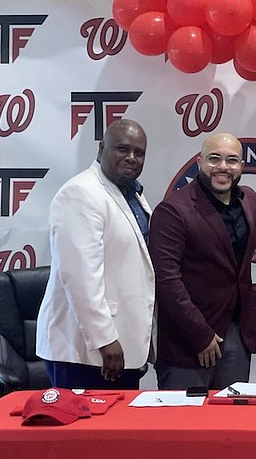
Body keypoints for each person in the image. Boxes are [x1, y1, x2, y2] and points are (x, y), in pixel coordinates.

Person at [36, 119, 155, 389]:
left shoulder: (131, 194)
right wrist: (104, 339)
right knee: (83, 431)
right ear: (102, 149)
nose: (132, 158)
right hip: (87, 352)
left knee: (118, 431)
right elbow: (79, 277)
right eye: (123, 149)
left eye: (139, 153)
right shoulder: (81, 193)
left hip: (122, 347)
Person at [148, 132, 256, 390]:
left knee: (232, 424)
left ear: (241, 167)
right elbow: (166, 280)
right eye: (214, 159)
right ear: (199, 162)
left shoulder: (250, 201)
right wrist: (200, 335)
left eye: (232, 160)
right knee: (185, 426)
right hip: (188, 341)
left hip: (237, 335)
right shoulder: (173, 210)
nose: (223, 167)